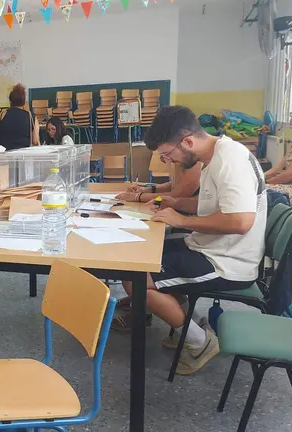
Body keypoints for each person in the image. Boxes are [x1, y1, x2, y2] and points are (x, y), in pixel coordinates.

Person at [114, 106, 267, 375]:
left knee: (135, 280)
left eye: (168, 155)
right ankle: (189, 323)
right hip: (209, 246)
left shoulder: (229, 161)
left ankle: (199, 342)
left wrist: (182, 220)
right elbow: (212, 204)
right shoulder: (216, 155)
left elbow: (241, 221)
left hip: (227, 262)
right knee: (143, 256)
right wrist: (175, 202)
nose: (169, 162)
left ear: (187, 141)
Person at [115, 162, 202, 203]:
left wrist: (138, 197)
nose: (163, 159)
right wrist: (147, 190)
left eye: (165, 155)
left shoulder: (193, 162)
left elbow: (177, 194)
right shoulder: (178, 158)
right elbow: (176, 184)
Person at [0, 83, 39, 150]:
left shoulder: (2, 115)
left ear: (10, 101)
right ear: (24, 101)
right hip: (23, 156)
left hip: (4, 155)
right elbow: (35, 141)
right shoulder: (31, 116)